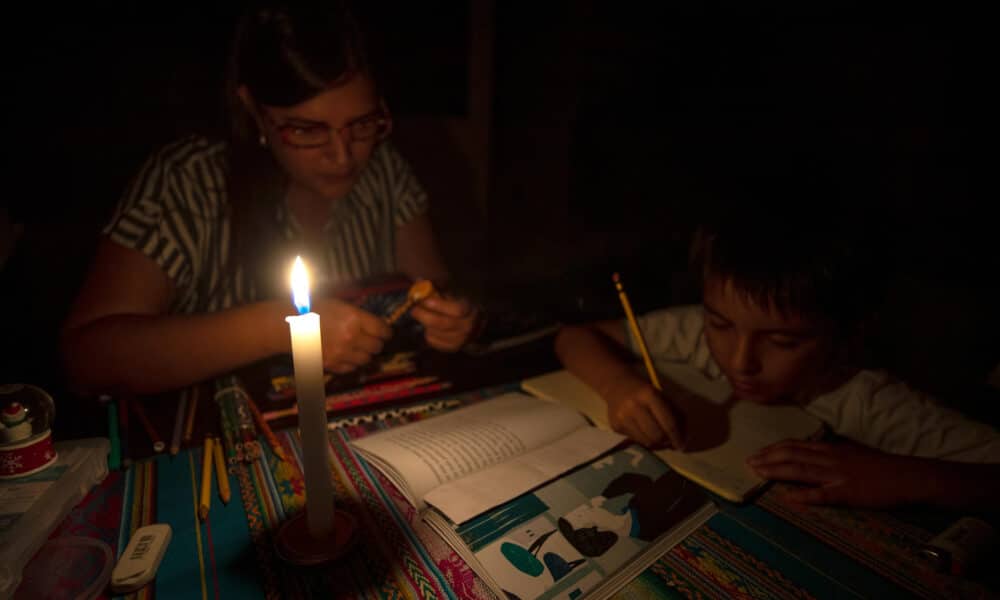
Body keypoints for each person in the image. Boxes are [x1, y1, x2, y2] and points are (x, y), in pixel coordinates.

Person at [61, 1, 479, 396]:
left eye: (362, 123)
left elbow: (435, 288)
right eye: (306, 130)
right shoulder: (189, 181)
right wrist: (276, 328)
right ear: (253, 108)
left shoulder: (385, 170)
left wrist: (451, 319)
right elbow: (88, 359)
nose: (343, 154)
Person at [554, 195, 1000, 511]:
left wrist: (904, 477)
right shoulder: (694, 331)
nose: (741, 360)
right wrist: (618, 386)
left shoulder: (869, 401)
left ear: (849, 335)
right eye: (721, 324)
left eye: (784, 342)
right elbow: (572, 337)